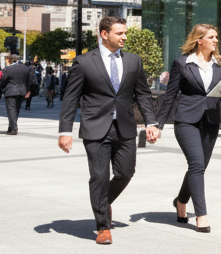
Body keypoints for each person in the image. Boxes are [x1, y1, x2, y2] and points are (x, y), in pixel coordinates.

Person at [59, 16, 160, 245]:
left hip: (124, 127)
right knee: (99, 177)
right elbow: (71, 97)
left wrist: (151, 123)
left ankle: (102, 203)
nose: (124, 37)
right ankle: (103, 226)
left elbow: (142, 94)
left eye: (125, 33)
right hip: (96, 128)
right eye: (119, 33)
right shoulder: (84, 62)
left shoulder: (134, 61)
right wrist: (65, 130)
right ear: (104, 34)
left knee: (126, 173)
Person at [156, 23, 221, 233]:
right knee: (197, 164)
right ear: (199, 40)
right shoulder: (182, 63)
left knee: (198, 167)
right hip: (187, 121)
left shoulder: (220, 63)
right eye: (212, 37)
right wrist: (159, 125)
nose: (216, 40)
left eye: (216, 37)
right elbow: (170, 95)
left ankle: (181, 201)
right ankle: (201, 215)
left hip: (211, 120)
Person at [0, 54, 33, 135]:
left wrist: (2, 89)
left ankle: (13, 128)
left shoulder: (7, 69)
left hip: (10, 91)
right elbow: (30, 80)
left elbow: (3, 80)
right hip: (22, 91)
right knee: (16, 109)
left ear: (10, 60)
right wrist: (28, 90)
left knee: (11, 110)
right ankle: (11, 127)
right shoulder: (26, 68)